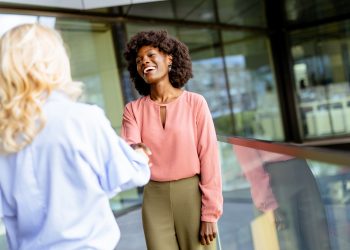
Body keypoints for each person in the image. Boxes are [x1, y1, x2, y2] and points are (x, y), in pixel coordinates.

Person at [0, 23, 151, 250]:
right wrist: (139, 156)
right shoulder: (81, 119)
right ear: (54, 63)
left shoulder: (5, 134)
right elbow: (125, 174)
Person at [122, 30, 223, 250]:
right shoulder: (133, 110)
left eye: (150, 55)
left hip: (192, 195)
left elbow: (209, 159)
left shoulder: (196, 103)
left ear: (169, 59)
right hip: (154, 197)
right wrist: (133, 150)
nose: (144, 62)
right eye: (139, 60)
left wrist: (210, 214)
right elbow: (130, 149)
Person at [233, 145, 331, 250]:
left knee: (320, 239)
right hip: (275, 180)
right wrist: (267, 201)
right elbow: (244, 150)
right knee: (289, 242)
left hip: (301, 166)